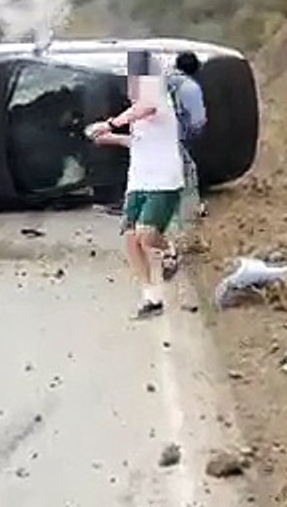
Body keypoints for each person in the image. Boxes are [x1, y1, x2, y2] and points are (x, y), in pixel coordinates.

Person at [86, 50, 185, 320]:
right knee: (131, 241)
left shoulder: (159, 102)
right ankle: (151, 297)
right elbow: (139, 143)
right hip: (138, 182)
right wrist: (111, 139)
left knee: (146, 235)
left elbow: (147, 107)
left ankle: (169, 250)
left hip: (163, 182)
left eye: (136, 81)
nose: (132, 87)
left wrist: (110, 123)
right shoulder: (139, 117)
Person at [162, 51, 207, 273]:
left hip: (153, 146)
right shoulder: (189, 88)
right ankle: (187, 241)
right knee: (187, 191)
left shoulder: (161, 82)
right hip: (175, 145)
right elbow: (198, 122)